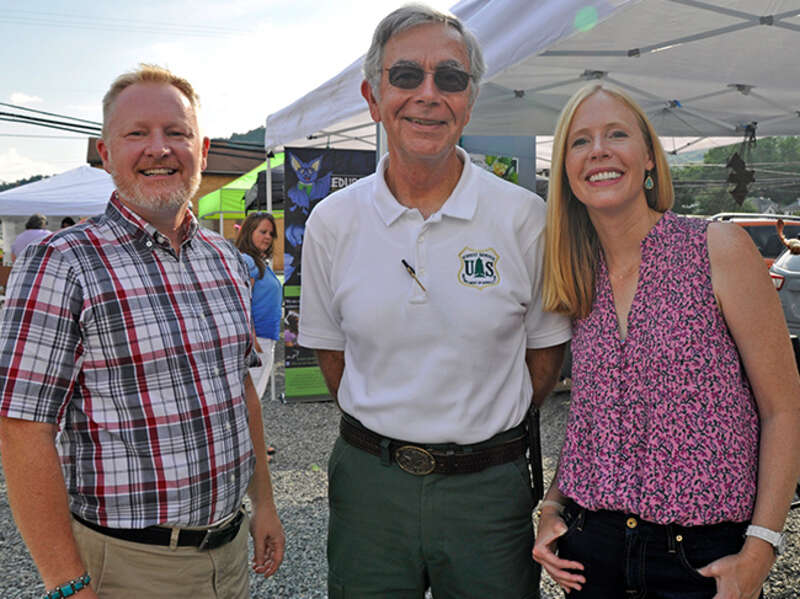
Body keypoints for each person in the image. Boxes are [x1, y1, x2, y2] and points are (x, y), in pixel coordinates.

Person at [298, 5, 572, 598]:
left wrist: (478, 422)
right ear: (374, 98)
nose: (429, 94)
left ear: (470, 99)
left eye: (450, 78)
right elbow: (333, 355)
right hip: (371, 484)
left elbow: (544, 355)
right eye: (406, 76)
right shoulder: (332, 222)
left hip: (489, 488)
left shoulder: (525, 218)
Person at [0, 64, 284, 599]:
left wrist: (263, 503)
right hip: (127, 567)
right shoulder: (60, 263)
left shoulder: (224, 260)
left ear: (201, 151)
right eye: (137, 134)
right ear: (106, 154)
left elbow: (240, 391)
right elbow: (22, 429)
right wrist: (66, 583)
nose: (159, 148)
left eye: (176, 133)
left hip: (229, 555)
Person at [533, 83, 800, 598]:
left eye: (616, 134)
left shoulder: (717, 249)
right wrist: (551, 508)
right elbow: (592, 420)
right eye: (579, 141)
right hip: (592, 549)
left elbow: (783, 409)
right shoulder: (574, 275)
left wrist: (761, 549)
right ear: (566, 170)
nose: (599, 151)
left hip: (701, 557)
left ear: (651, 158)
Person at [235, 211, 282, 399]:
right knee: (251, 396)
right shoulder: (247, 262)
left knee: (255, 394)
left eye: (271, 234)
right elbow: (242, 301)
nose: (268, 237)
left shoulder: (260, 262)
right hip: (257, 339)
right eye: (263, 232)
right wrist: (252, 337)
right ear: (249, 232)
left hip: (265, 336)